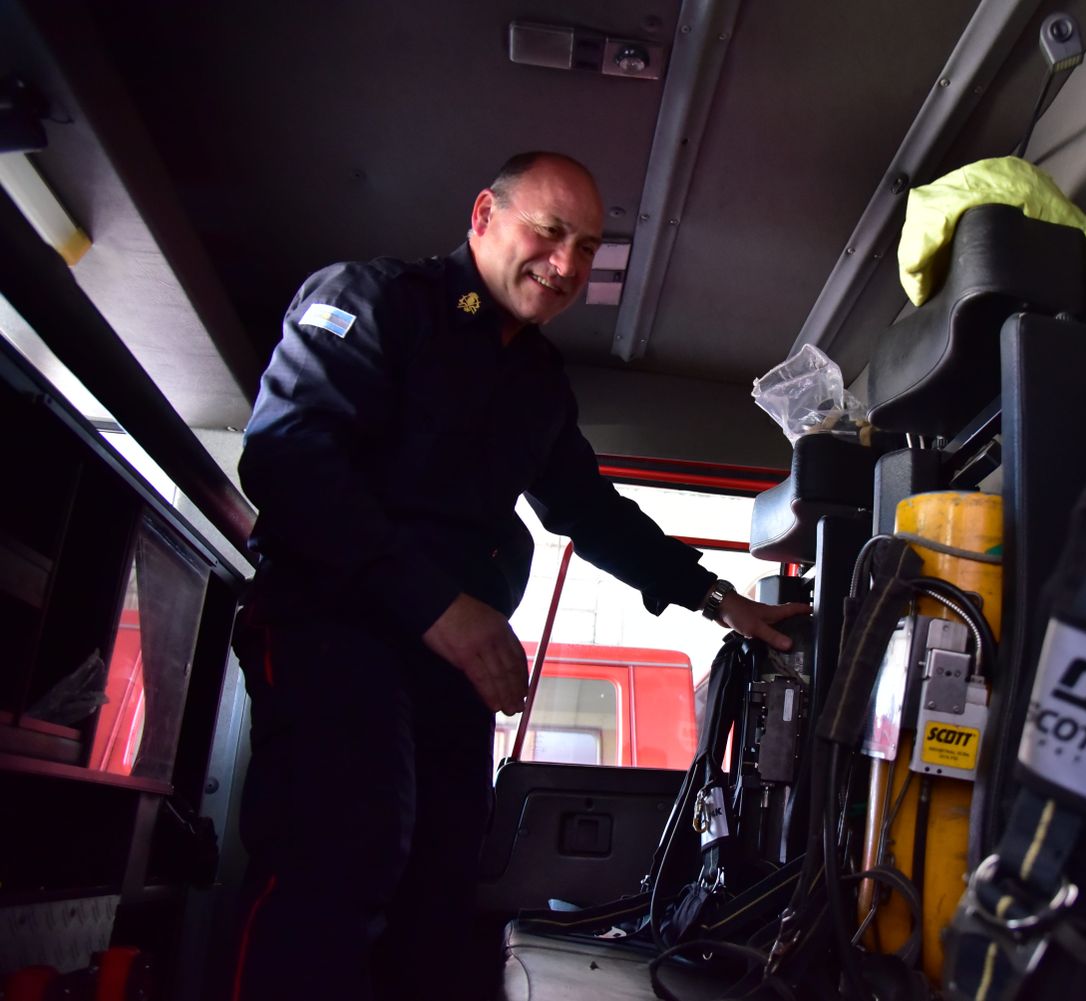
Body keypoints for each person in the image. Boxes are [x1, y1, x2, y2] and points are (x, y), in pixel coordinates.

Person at [229, 151, 810, 1001]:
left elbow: (590, 509)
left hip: (448, 664)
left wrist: (718, 599)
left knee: (440, 883)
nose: (568, 264)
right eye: (549, 232)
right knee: (342, 854)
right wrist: (443, 608)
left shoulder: (536, 381)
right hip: (332, 624)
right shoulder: (372, 300)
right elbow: (287, 461)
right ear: (483, 217)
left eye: (589, 246)